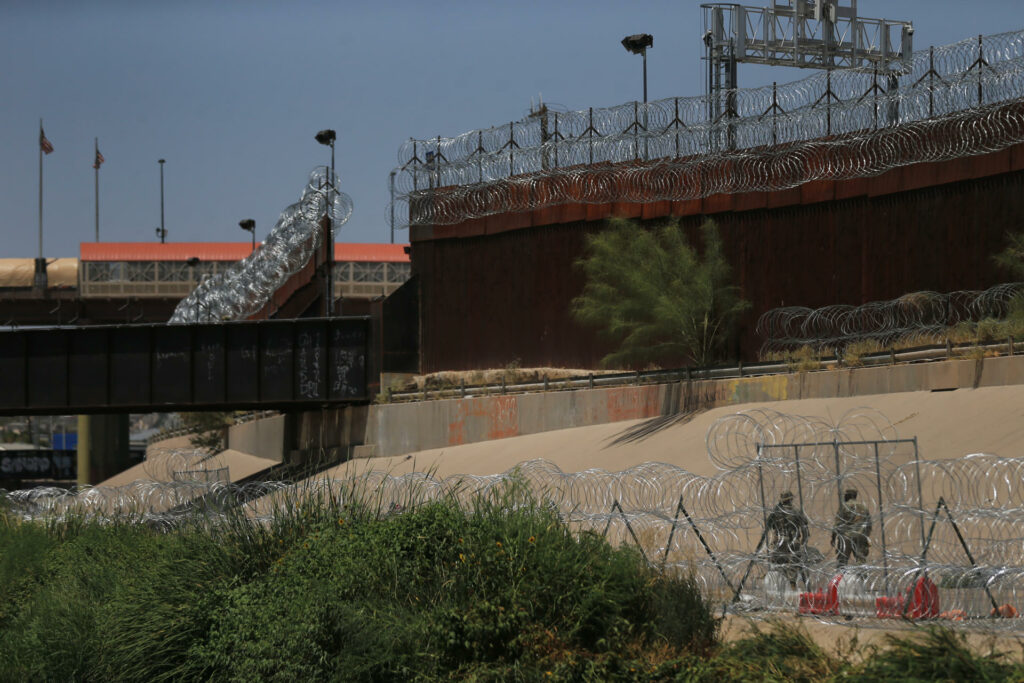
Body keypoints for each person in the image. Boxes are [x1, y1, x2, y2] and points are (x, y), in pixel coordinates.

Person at [765, 491, 810, 589]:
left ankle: (781, 583)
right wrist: (804, 541)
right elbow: (804, 528)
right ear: (791, 500)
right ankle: (792, 583)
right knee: (794, 564)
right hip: (794, 541)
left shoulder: (776, 512)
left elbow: (768, 525)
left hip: (780, 542)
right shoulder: (796, 511)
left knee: (779, 563)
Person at [831, 488, 872, 567]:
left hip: (846, 536)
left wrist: (833, 537)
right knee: (861, 560)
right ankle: (862, 578)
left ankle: (841, 576)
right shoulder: (863, 507)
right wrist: (866, 536)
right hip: (860, 535)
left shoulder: (844, 506)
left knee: (842, 561)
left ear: (848, 496)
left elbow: (837, 523)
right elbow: (869, 524)